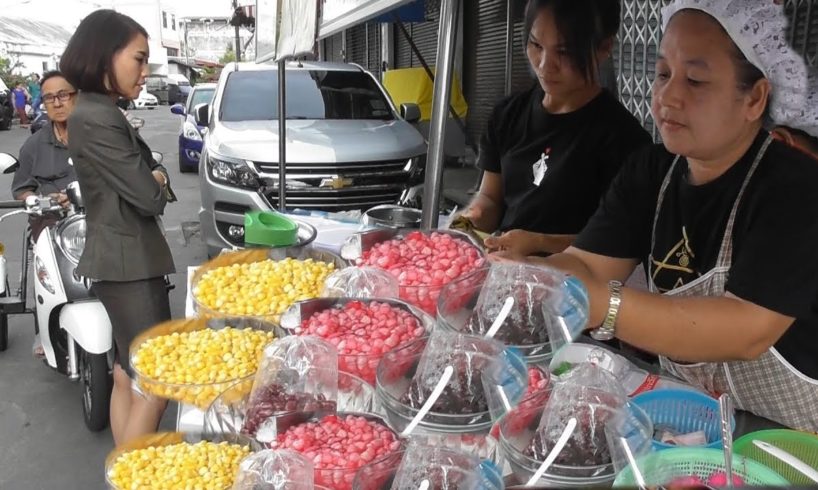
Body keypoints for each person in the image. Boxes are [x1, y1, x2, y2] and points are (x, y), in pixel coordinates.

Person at [517, 0, 818, 431]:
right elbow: (587, 263)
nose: (667, 96)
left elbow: (748, 329)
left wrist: (603, 304)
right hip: (687, 419)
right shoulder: (650, 171)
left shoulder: (796, 187)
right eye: (663, 74)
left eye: (694, 80)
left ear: (754, 98)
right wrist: (534, 277)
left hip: (790, 435)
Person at [61, 9, 175, 445]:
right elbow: (148, 196)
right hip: (130, 266)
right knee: (156, 381)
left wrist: (155, 178)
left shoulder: (97, 110)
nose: (145, 72)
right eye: (139, 59)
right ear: (105, 55)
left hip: (122, 262)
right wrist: (160, 178)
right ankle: (135, 473)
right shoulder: (95, 116)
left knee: (127, 372)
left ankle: (126, 465)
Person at [461, 0, 652, 257]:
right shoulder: (507, 115)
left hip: (575, 287)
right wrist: (472, 218)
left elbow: (620, 240)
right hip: (504, 275)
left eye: (564, 52)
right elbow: (491, 198)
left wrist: (539, 242)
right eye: (536, 45)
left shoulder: (624, 140)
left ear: (604, 47)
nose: (544, 65)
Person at [11, 71, 78, 358]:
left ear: (77, 97)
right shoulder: (34, 145)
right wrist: (37, 199)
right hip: (50, 221)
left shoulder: (96, 138)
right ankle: (44, 324)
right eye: (49, 97)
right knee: (44, 259)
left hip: (93, 214)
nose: (57, 103)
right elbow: (21, 189)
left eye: (63, 95)